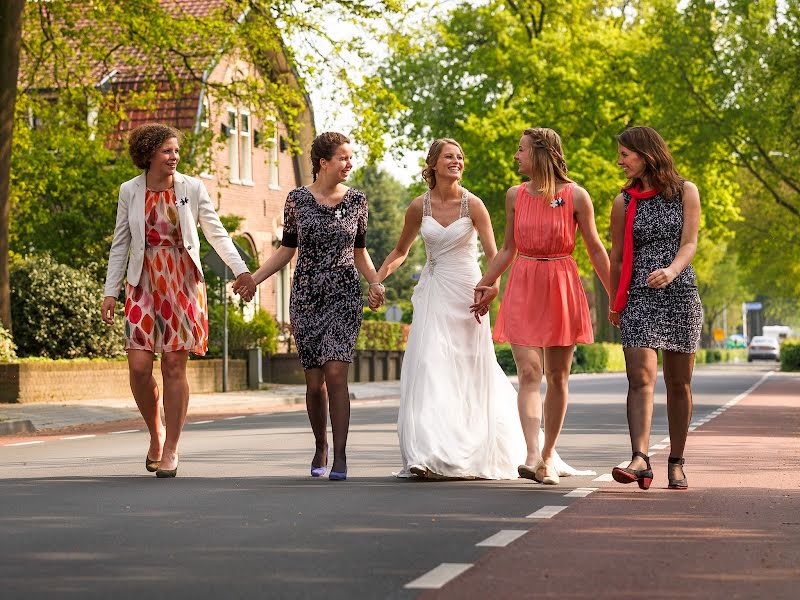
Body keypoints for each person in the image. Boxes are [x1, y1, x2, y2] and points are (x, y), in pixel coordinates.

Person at [375, 138, 587, 480]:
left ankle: (481, 447)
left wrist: (492, 288)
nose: (456, 161)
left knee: (468, 372)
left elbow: (498, 253)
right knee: (429, 365)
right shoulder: (418, 207)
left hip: (469, 293)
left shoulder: (474, 205)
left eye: (460, 156)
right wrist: (376, 278)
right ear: (432, 164)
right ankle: (427, 453)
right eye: (449, 156)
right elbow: (401, 250)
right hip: (433, 293)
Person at [101, 123, 256, 478]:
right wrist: (111, 292)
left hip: (182, 282)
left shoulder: (191, 187)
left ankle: (170, 447)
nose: (174, 157)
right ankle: (154, 432)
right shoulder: (130, 190)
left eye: (176, 151)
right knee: (139, 367)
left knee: (173, 366)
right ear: (149, 154)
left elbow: (215, 231)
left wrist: (241, 271)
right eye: (167, 151)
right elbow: (120, 243)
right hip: (142, 282)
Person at [472, 128, 610, 485]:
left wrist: (615, 295)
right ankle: (531, 453)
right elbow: (507, 248)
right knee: (530, 371)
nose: (516, 156)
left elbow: (595, 248)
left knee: (559, 377)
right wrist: (486, 282)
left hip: (561, 282)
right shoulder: (514, 195)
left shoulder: (576, 195)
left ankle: (549, 455)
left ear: (542, 153)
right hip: (524, 281)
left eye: (520, 150)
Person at [251, 132, 382, 481]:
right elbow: (285, 250)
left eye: (350, 158)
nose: (349, 163)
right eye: (343, 158)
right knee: (314, 382)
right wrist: (254, 278)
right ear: (324, 163)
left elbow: (360, 252)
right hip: (307, 294)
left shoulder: (357, 201)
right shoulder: (296, 200)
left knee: (337, 372)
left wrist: (375, 281)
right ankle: (320, 444)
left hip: (343, 293)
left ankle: (340, 456)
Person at [608, 126, 701, 491]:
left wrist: (672, 271)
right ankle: (640, 458)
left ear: (646, 154)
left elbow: (690, 242)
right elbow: (616, 257)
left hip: (679, 293)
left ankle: (676, 461)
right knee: (640, 377)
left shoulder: (685, 192)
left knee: (679, 383)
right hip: (638, 296)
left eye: (625, 154)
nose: (620, 161)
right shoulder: (624, 201)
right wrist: (617, 301)